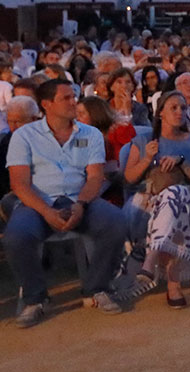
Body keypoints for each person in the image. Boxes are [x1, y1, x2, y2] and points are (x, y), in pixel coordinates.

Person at [3, 79, 125, 327]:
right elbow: (19, 184)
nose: (73, 102)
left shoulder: (89, 134)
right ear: (47, 104)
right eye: (66, 98)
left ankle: (97, 288)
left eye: (73, 97)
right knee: (16, 236)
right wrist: (46, 211)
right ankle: (35, 298)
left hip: (79, 197)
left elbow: (95, 177)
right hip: (38, 202)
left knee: (115, 222)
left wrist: (81, 204)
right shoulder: (25, 136)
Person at [122, 91, 190, 308]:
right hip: (146, 204)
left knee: (176, 196)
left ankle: (150, 261)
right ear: (160, 112)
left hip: (182, 203)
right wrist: (147, 159)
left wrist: (182, 162)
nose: (180, 112)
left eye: (183, 108)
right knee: (174, 206)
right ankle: (173, 285)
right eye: (173, 107)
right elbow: (129, 177)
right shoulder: (145, 140)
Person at [0, 95, 40, 219]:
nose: (13, 127)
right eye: (9, 121)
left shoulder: (46, 138)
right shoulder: (8, 140)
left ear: (34, 119)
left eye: (18, 122)